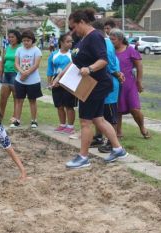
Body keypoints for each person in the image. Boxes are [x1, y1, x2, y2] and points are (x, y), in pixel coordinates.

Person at [53, 9, 127, 166]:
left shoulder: (95, 37)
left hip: (96, 85)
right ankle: (118, 149)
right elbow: (75, 62)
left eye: (73, 27)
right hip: (89, 84)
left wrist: (90, 69)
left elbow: (104, 60)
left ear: (82, 22)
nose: (72, 31)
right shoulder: (82, 40)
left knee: (86, 122)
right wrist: (59, 77)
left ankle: (83, 157)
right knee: (98, 119)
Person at [90, 20, 125, 153]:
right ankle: (99, 137)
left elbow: (109, 64)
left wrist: (118, 74)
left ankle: (112, 141)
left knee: (110, 115)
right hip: (103, 82)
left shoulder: (107, 44)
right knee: (99, 113)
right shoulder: (102, 42)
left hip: (109, 82)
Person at [109, 28, 150, 139]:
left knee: (135, 109)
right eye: (110, 39)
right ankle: (118, 132)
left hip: (129, 84)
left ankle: (142, 128)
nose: (111, 41)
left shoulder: (130, 50)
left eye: (113, 39)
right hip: (115, 84)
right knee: (117, 109)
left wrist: (139, 81)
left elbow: (139, 66)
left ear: (121, 39)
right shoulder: (110, 51)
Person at [11, 30, 43, 129]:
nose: (26, 42)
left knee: (32, 100)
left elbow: (36, 65)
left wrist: (27, 73)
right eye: (24, 40)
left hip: (33, 81)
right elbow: (16, 63)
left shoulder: (36, 50)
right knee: (19, 100)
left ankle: (34, 120)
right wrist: (22, 72)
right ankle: (17, 120)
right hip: (20, 79)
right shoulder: (19, 50)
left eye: (28, 40)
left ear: (32, 40)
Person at [47, 33, 77, 135]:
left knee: (69, 105)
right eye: (68, 41)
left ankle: (70, 126)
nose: (70, 44)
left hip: (69, 81)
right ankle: (62, 124)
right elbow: (50, 69)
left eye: (71, 42)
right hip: (56, 81)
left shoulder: (72, 54)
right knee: (59, 105)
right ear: (61, 42)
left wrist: (62, 80)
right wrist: (50, 82)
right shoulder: (54, 54)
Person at [0, 30, 21, 120]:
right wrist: (1, 73)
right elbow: (3, 60)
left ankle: (15, 116)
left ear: (17, 37)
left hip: (15, 74)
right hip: (6, 74)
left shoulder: (21, 48)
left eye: (12, 37)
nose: (10, 39)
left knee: (16, 97)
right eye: (9, 37)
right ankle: (0, 115)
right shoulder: (7, 47)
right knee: (3, 97)